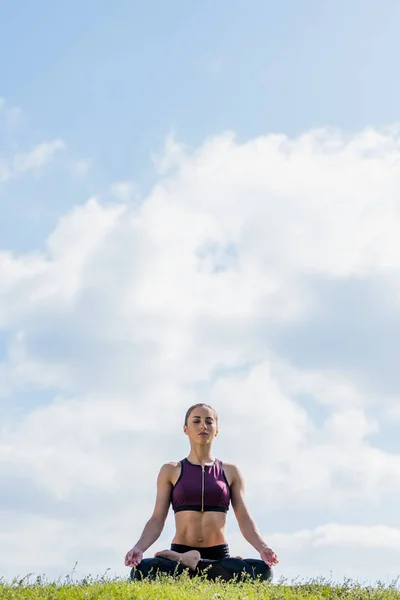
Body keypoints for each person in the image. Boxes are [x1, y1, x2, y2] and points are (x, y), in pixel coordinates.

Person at [124, 403, 279, 582]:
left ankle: (193, 563)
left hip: (218, 556)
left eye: (209, 421)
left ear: (216, 430)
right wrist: (139, 548)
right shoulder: (171, 470)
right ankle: (185, 559)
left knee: (263, 571)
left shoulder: (230, 471)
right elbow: (157, 519)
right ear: (185, 429)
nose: (203, 426)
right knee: (141, 571)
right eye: (196, 421)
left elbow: (244, 518)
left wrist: (263, 548)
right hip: (182, 549)